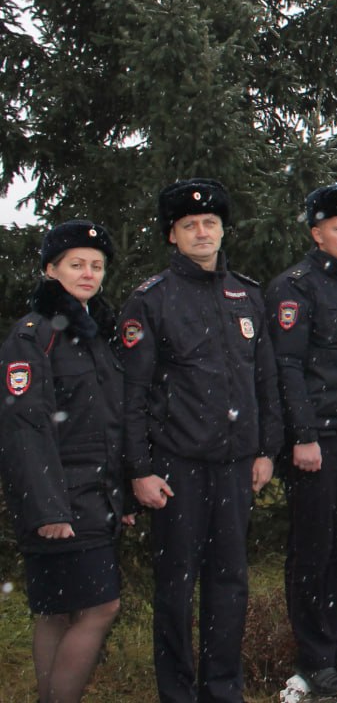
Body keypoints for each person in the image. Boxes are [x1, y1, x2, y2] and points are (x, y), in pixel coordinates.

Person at [119, 179, 282, 703]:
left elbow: (265, 380)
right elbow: (133, 394)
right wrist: (140, 469)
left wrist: (267, 450)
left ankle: (222, 690)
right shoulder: (150, 300)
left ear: (222, 229)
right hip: (177, 467)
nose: (202, 232)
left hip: (235, 464)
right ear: (173, 235)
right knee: (175, 588)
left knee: (230, 583)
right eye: (189, 225)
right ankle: (177, 693)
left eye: (210, 223)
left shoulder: (247, 294)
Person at [0, 221, 128, 703]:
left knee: (58, 612)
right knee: (100, 608)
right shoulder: (33, 336)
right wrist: (48, 509)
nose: (88, 273)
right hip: (60, 499)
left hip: (96, 494)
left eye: (96, 265)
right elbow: (25, 428)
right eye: (76, 264)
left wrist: (121, 495)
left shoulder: (95, 335)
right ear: (51, 270)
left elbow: (109, 423)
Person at [266, 185, 337, 697]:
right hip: (316, 440)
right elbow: (287, 367)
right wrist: (303, 436)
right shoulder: (295, 288)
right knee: (313, 549)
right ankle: (314, 657)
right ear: (317, 233)